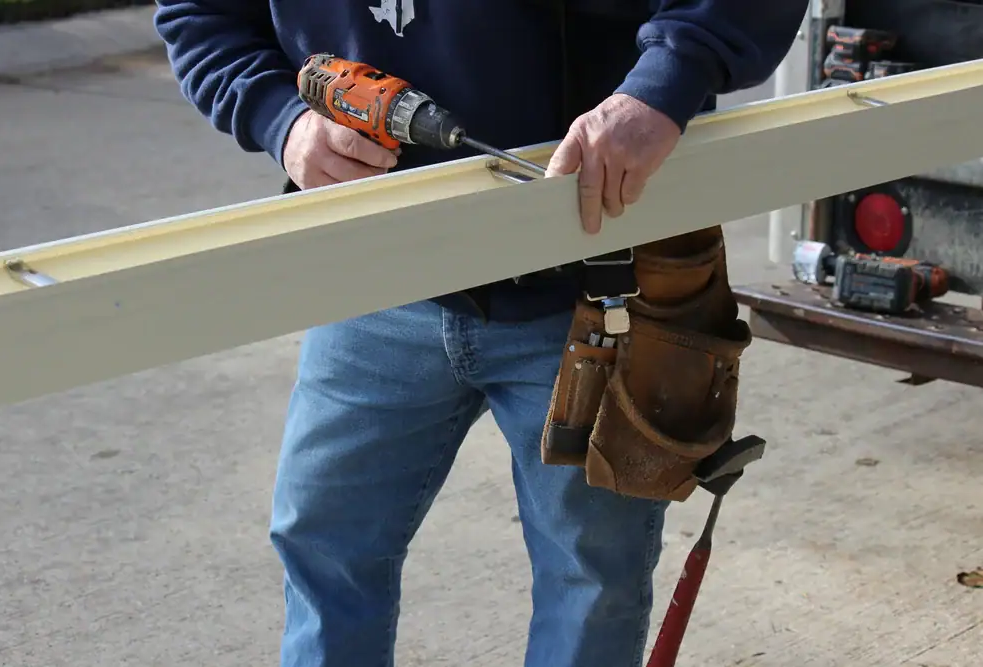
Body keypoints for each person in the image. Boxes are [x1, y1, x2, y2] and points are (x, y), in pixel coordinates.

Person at [153, 1, 808, 665]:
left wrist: (663, 86)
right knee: (325, 546)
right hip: (374, 275)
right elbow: (199, 13)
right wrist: (281, 119)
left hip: (593, 285)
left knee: (590, 581)